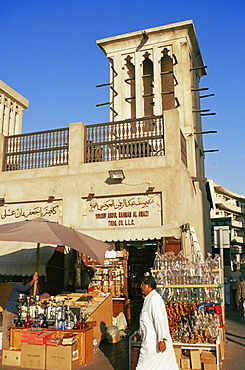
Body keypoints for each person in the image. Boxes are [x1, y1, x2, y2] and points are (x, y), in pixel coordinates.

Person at [134, 275, 178, 369]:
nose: (141, 287)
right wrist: (139, 333)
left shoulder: (154, 299)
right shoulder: (148, 299)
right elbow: (146, 321)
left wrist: (161, 339)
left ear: (148, 285)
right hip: (148, 340)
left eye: (142, 285)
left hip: (153, 342)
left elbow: (159, 320)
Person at [2, 272, 38, 349]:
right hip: (9, 311)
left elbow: (29, 301)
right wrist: (33, 280)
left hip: (17, 313)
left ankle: (13, 347)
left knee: (15, 331)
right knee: (6, 331)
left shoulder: (27, 294)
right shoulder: (17, 287)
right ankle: (5, 348)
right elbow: (26, 288)